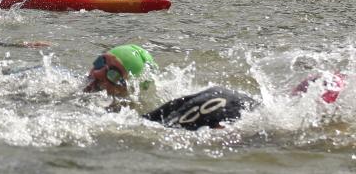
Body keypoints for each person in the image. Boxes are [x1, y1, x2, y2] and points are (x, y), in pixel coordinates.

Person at [85, 44, 257, 130]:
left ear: (131, 89)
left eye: (113, 75)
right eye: (100, 62)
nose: (98, 73)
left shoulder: (139, 120)